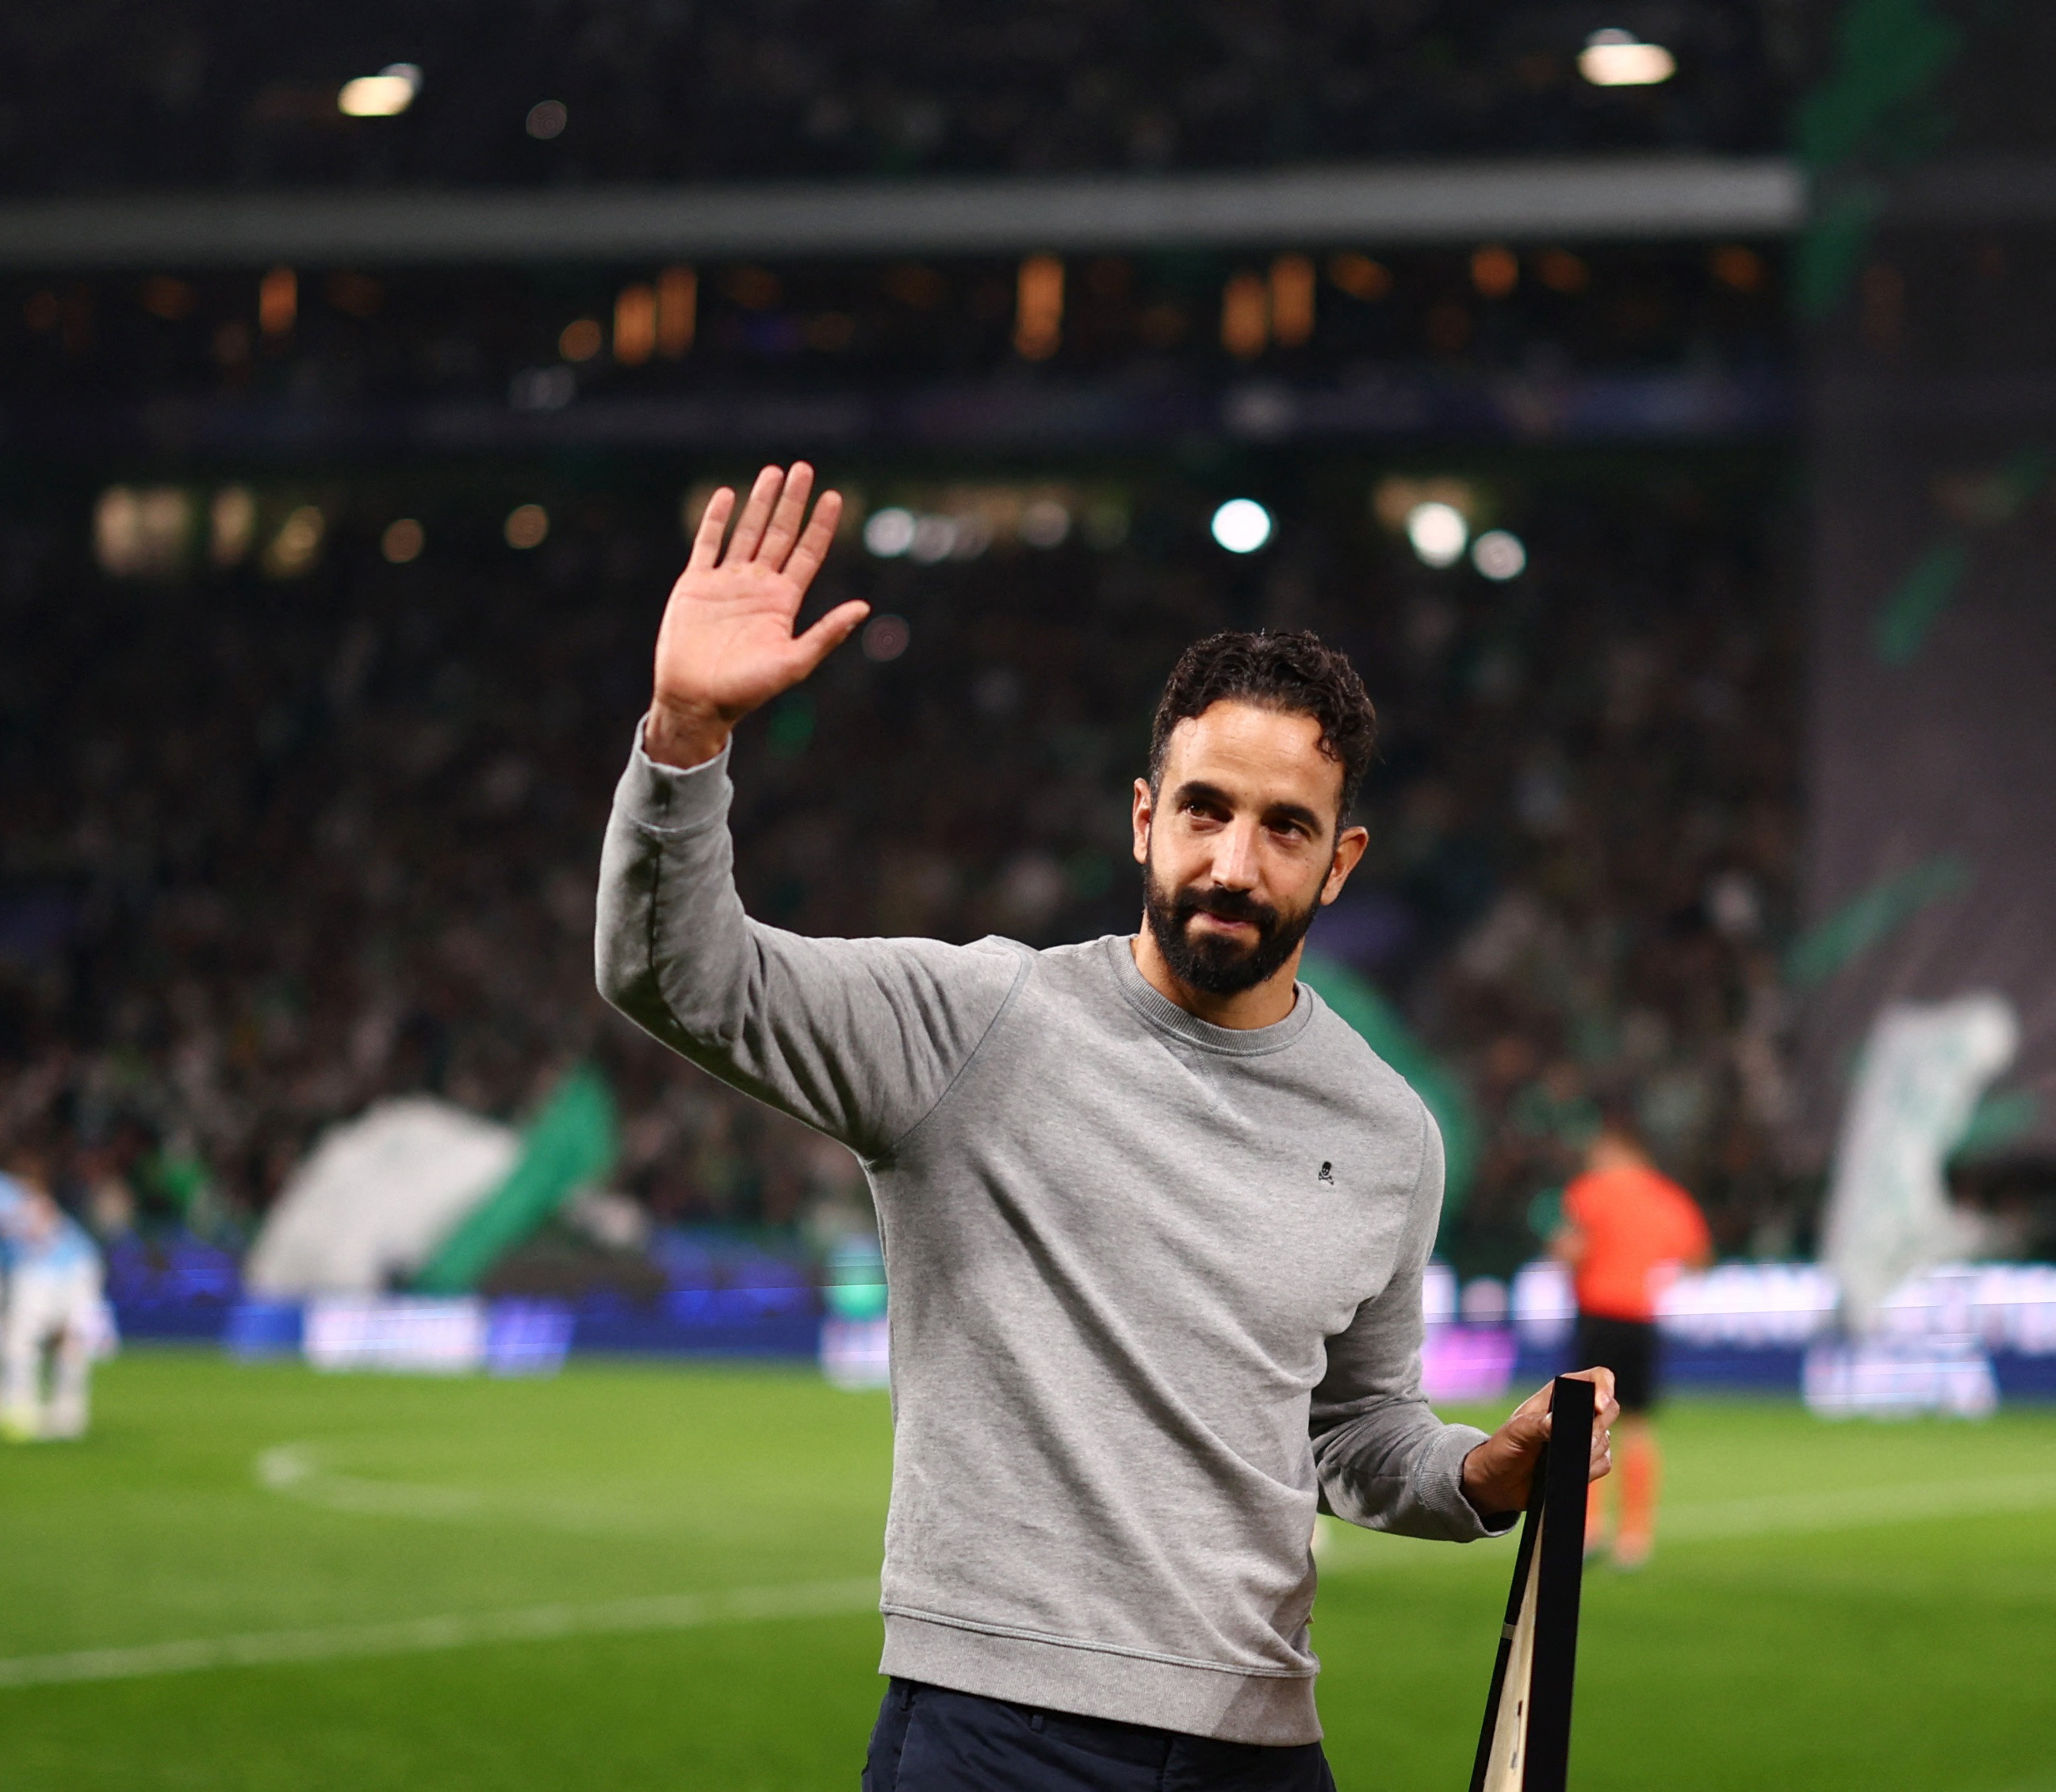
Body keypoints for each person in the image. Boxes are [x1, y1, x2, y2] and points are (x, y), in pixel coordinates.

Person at [595, 461, 1619, 1792]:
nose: (1231, 865)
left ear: (1339, 859)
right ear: (1144, 819)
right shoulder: (969, 1025)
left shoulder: (1385, 1132)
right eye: (1201, 810)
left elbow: (1348, 1429)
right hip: (990, 1734)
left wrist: (1482, 1473)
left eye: (1281, 827)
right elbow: (675, 976)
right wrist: (682, 736)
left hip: (1262, 1743)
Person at [1551, 1116, 1710, 1569]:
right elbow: (1697, 1257)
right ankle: (1635, 1536)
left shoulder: (1591, 1190)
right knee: (1639, 1425)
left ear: (1616, 1149)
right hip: (1640, 1318)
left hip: (1598, 1315)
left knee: (1582, 1423)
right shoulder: (1667, 1197)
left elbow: (1573, 1248)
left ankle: (1586, 1529)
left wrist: (1570, 1258)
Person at [0, 1172, 105, 1442]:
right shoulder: (52, 1219)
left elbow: (34, 1234)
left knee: (29, 1342)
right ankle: (59, 1412)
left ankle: (24, 1408)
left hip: (54, 1276)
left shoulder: (25, 1209)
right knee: (63, 1343)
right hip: (73, 1273)